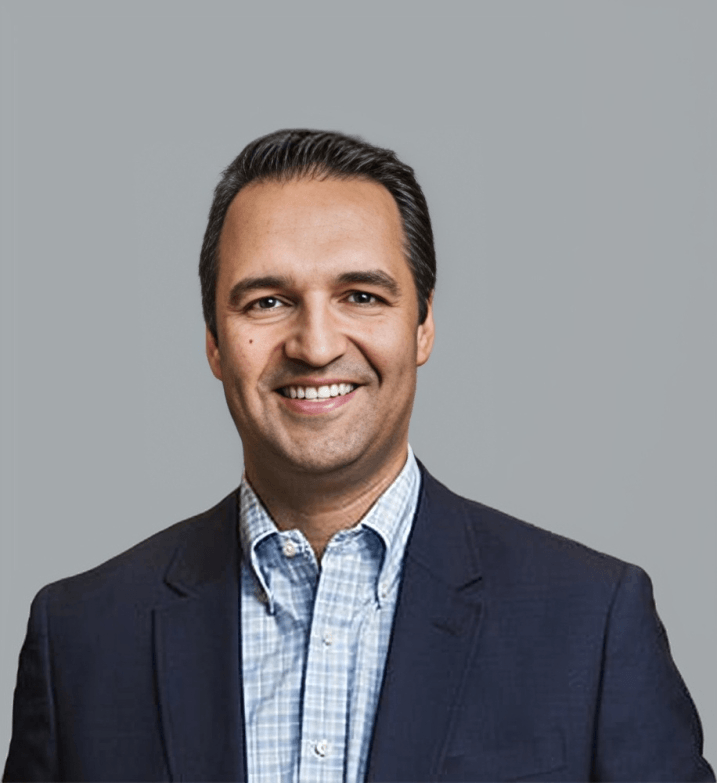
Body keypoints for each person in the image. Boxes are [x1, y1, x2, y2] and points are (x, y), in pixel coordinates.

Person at [3, 129, 714, 783]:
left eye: (361, 296)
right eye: (267, 302)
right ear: (214, 342)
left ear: (423, 325)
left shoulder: (589, 623)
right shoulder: (81, 639)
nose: (315, 346)